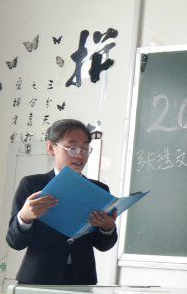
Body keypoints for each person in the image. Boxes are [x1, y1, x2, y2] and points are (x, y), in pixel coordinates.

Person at [6, 119, 117, 284]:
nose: (79, 154)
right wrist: (24, 217)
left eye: (85, 148)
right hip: (38, 278)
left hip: (81, 281)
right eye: (72, 148)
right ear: (51, 148)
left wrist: (107, 228)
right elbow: (15, 242)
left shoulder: (99, 189)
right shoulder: (32, 185)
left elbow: (103, 246)